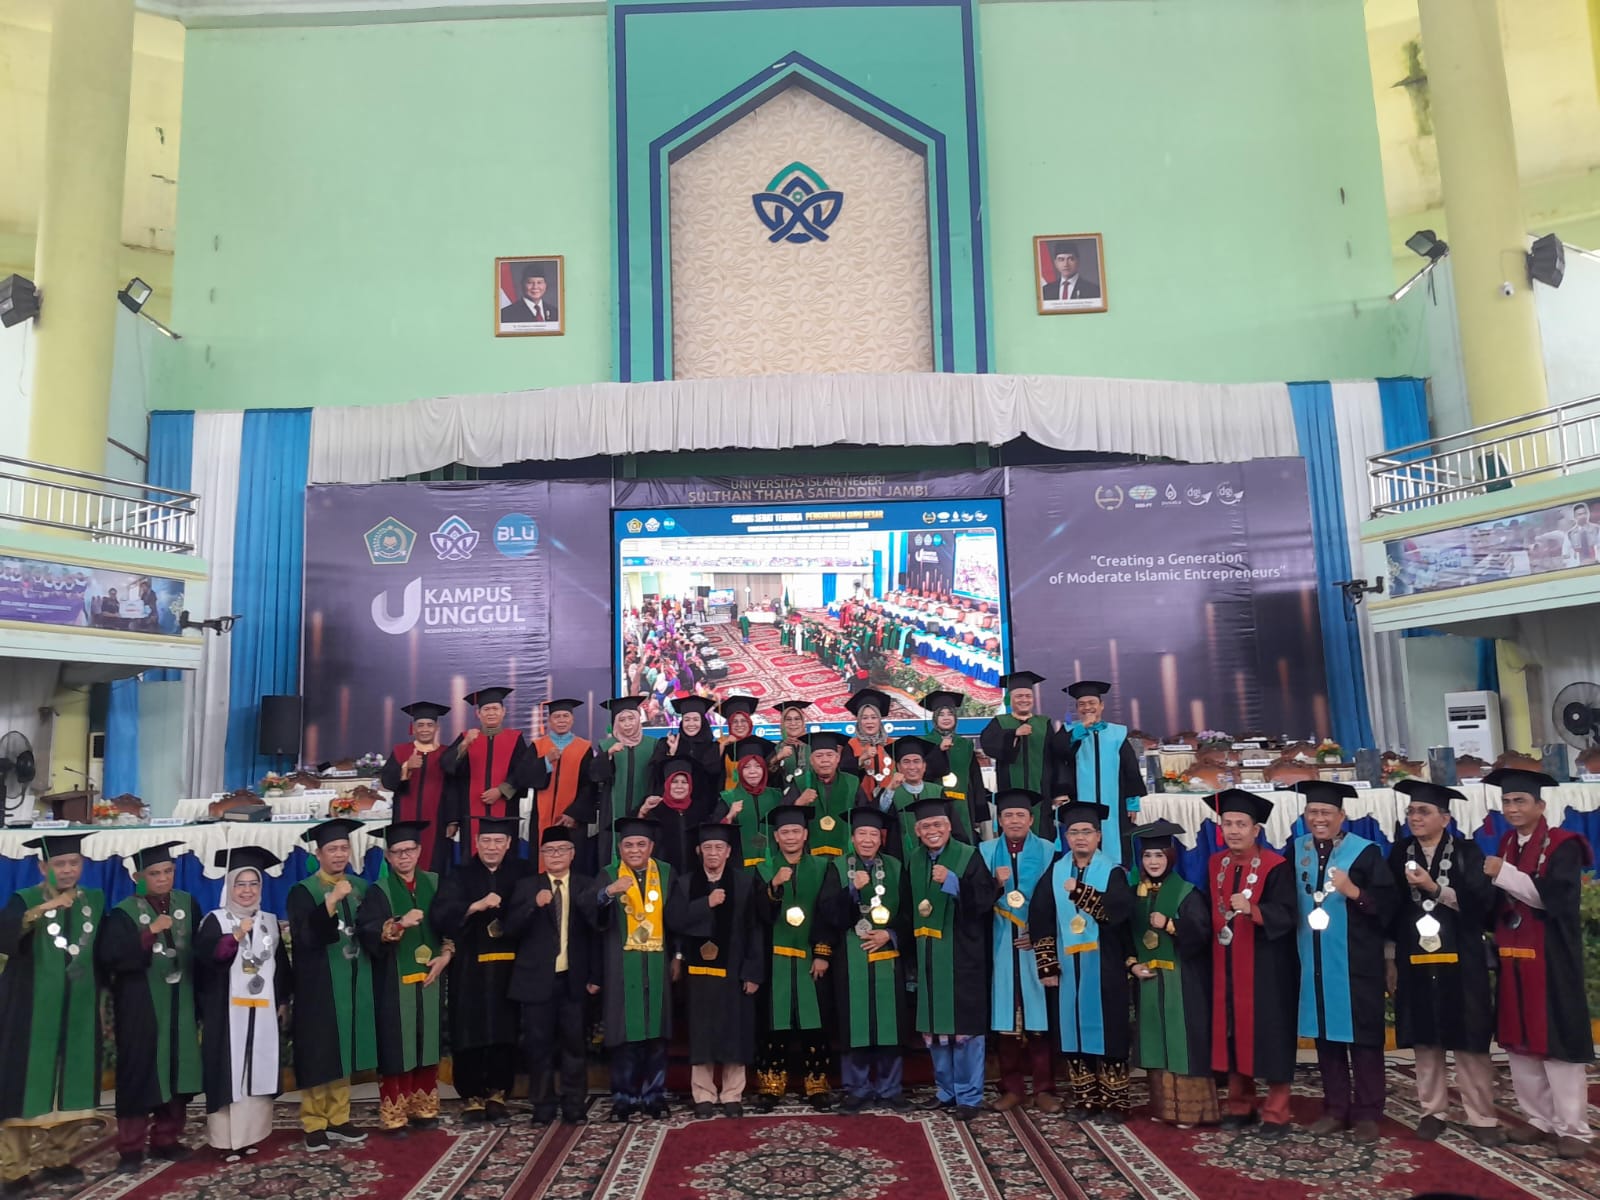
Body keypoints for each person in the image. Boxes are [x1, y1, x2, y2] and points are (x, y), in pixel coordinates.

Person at [1482, 767, 1594, 1157]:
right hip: (1513, 958)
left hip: (1551, 960)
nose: (1512, 808)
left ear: (1540, 805)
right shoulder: (1507, 843)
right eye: (1507, 801)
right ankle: (1538, 1120)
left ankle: (1574, 1129)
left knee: (1557, 1044)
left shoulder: (1564, 845)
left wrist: (1504, 874)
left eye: (1520, 801)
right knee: (1520, 1044)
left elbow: (1555, 900)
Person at [1386, 780, 1501, 1146]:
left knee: (1469, 1037)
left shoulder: (1467, 851)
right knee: (1425, 1038)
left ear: (1445, 818)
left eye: (1424, 811)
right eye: (1411, 811)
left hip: (1461, 957)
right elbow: (1390, 910)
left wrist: (1434, 889)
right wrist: (1389, 958)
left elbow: (1482, 906)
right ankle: (1432, 1111)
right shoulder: (1400, 852)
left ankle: (1481, 1116)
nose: (1415, 818)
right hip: (1415, 956)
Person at [1289, 779, 1395, 1142]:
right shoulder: (1297, 849)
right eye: (1312, 812)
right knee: (1326, 1037)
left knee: (1363, 1038)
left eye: (1326, 812)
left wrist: (1354, 892)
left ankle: (1368, 1112)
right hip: (1314, 959)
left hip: (1355, 961)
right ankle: (1335, 1108)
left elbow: (1387, 907)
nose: (1319, 818)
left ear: (1342, 816)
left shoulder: (1365, 852)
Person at [0, 834, 105, 1194]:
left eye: (74, 863)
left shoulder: (93, 901)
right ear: (43, 867)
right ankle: (14, 1170)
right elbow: (5, 938)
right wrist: (44, 909)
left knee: (73, 1083)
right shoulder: (24, 899)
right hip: (30, 1011)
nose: (68, 869)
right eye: (60, 864)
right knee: (22, 1086)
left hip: (79, 1008)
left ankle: (59, 1158)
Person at [97, 840, 202, 1172]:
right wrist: (149, 933)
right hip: (141, 1005)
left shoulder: (187, 903)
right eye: (154, 873)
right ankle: (130, 1149)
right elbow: (111, 957)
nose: (163, 878)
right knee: (139, 1073)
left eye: (168, 871)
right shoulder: (123, 913)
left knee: (178, 1070)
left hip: (181, 1002)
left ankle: (166, 1139)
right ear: (137, 877)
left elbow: (201, 949)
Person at [1028, 801, 1133, 1122]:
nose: (1080, 838)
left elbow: (1117, 913)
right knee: (1072, 1031)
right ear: (1066, 837)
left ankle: (1115, 1102)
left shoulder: (1113, 871)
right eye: (1074, 832)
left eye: (1087, 832)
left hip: (1105, 963)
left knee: (1109, 1031)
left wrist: (1081, 893)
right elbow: (1040, 915)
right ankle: (1086, 1099)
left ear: (1098, 836)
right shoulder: (1056, 871)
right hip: (1067, 965)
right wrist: (1047, 965)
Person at [1208, 788, 1298, 1138]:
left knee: (1272, 1037)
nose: (1233, 830)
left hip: (1266, 966)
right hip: (1226, 963)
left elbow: (1288, 915)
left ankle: (1277, 1112)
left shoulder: (1276, 866)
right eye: (1227, 823)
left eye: (1241, 824)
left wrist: (1254, 910)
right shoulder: (1216, 863)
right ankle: (1240, 1106)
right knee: (1232, 1033)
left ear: (1256, 829)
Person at [433, 815, 531, 1126]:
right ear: (476, 842)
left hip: (508, 967)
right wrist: (474, 906)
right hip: (469, 967)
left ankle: (498, 1094)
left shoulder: (521, 874)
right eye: (486, 841)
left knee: (504, 1029)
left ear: (509, 843)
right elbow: (440, 914)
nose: (492, 847)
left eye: (498, 841)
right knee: (469, 1029)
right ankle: (472, 1096)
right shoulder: (459, 875)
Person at [195, 848, 292, 1163]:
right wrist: (235, 936)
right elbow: (207, 960)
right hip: (226, 1012)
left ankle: (250, 1136)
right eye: (241, 884)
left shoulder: (269, 921)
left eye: (254, 884)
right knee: (230, 1072)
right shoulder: (216, 920)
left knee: (256, 1071)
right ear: (229, 886)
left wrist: (282, 1000)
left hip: (262, 1009)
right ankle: (225, 1141)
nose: (247, 891)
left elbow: (280, 964)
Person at [578, 816, 677, 1122]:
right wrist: (608, 892)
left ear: (651, 847)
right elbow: (586, 909)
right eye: (629, 845)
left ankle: (654, 1096)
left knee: (656, 1033)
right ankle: (623, 1098)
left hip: (657, 963)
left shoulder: (666, 873)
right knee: (623, 1034)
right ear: (620, 848)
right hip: (620, 964)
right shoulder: (609, 874)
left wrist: (679, 956)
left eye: (641, 844)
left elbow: (678, 917)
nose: (635, 850)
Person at [356, 821, 451, 1137]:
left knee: (427, 1042)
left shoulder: (435, 883)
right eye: (397, 852)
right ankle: (395, 1114)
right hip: (394, 981)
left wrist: (447, 954)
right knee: (397, 1046)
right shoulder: (379, 891)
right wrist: (398, 924)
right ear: (387, 856)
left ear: (419, 851)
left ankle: (424, 1108)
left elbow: (451, 923)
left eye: (409, 850)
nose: (404, 857)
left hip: (432, 976)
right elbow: (367, 930)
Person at [905, 796, 997, 1122]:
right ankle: (946, 1092)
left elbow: (986, 899)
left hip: (962, 954)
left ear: (948, 826)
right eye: (925, 826)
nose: (932, 830)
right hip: (928, 955)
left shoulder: (968, 855)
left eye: (938, 824)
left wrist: (954, 883)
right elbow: (907, 906)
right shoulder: (914, 860)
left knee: (964, 1030)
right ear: (917, 831)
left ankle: (969, 1096)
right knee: (936, 1029)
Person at [286, 818, 375, 1151]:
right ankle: (314, 1122)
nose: (339, 854)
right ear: (319, 854)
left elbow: (369, 928)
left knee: (344, 1049)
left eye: (343, 848)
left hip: (353, 979)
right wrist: (331, 901)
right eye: (332, 849)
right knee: (319, 1050)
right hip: (319, 983)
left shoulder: (360, 886)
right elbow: (305, 937)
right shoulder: (303, 891)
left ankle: (339, 1118)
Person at [814, 806, 910, 1113]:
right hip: (849, 954)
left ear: (881, 838)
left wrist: (890, 934)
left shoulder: (896, 866)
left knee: (889, 1022)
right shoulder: (837, 867)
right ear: (852, 837)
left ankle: (890, 1088)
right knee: (854, 1021)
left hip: (887, 954)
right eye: (861, 834)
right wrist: (851, 891)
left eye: (873, 834)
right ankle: (857, 1089)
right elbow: (827, 913)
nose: (867, 840)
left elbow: (909, 912)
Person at [666, 823, 763, 1118]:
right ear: (699, 851)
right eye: (707, 847)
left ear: (728, 852)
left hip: (734, 969)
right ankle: (704, 1095)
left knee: (735, 1031)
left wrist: (753, 971)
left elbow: (755, 929)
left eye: (719, 848)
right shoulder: (685, 884)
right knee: (702, 1032)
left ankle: (732, 1094)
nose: (713, 853)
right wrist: (704, 904)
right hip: (699, 974)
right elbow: (673, 921)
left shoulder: (744, 883)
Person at [505, 826, 599, 1127]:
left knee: (575, 1046)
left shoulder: (587, 885)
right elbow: (510, 928)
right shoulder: (527, 886)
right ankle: (542, 1106)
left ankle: (574, 1106)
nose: (555, 855)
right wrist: (533, 905)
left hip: (574, 979)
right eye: (549, 851)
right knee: (538, 1047)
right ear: (542, 855)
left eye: (561, 850)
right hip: (536, 981)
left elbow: (597, 932)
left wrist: (596, 975)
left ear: (572, 854)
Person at [1129, 820, 1217, 1126]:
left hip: (1183, 979)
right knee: (1156, 1041)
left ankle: (1193, 1111)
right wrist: (1132, 964)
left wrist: (1170, 925)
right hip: (1150, 980)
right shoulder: (1137, 894)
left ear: (1171, 857)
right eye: (1147, 856)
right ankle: (1164, 1108)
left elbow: (1202, 933)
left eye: (1159, 855)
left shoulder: (1187, 893)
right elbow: (1126, 936)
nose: (1153, 862)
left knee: (1183, 1041)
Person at [980, 789, 1060, 1113]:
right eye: (1008, 815)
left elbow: (1056, 897)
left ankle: (1044, 1089)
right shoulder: (986, 851)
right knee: (1006, 1020)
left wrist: (1038, 933)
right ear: (999, 820)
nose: (1014, 821)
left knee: (1040, 1020)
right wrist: (995, 885)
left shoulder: (1048, 851)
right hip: (1000, 940)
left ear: (1031, 819)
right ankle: (1011, 1088)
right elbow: (975, 898)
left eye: (1020, 815)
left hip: (1037, 943)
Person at [754, 805, 833, 1111]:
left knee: (815, 1022)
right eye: (784, 832)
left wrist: (822, 953)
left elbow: (827, 912)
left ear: (805, 834)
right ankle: (771, 1084)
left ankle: (817, 1084)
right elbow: (758, 916)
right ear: (776, 836)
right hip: (774, 958)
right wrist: (774, 885)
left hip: (810, 957)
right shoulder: (763, 869)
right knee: (774, 1023)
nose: (790, 837)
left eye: (795, 831)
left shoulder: (823, 867)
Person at [440, 687, 548, 861]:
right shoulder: (466, 737)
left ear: (503, 711)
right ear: (478, 713)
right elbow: (448, 769)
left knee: (506, 856)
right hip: (471, 812)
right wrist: (464, 745)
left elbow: (524, 771)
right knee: (472, 856)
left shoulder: (515, 738)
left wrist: (501, 790)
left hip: (506, 809)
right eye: (486, 709)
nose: (491, 713)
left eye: (495, 709)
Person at [1053, 681, 1145, 867]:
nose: (1087, 707)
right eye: (1082, 704)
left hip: (1114, 801)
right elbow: (1057, 751)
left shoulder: (1117, 733)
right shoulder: (1070, 732)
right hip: (1080, 800)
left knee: (1116, 842)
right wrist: (1082, 728)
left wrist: (1132, 801)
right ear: (1077, 708)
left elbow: (1130, 768)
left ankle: (1116, 875)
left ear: (1101, 705)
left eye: (1092, 703)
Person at [578, 695, 661, 867]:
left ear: (638, 719)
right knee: (613, 850)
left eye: (631, 718)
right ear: (616, 724)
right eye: (622, 720)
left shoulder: (653, 744)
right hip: (612, 810)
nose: (628, 724)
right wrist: (608, 755)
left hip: (645, 809)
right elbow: (595, 776)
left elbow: (659, 778)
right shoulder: (606, 745)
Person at [379, 701, 459, 873]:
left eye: (430, 725)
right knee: (404, 858)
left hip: (437, 820)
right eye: (420, 725)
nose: (425, 729)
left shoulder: (446, 754)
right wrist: (406, 767)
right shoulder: (400, 751)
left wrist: (452, 820)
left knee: (435, 864)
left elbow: (453, 789)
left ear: (437, 727)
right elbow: (387, 781)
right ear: (413, 728)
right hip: (404, 819)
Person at [646, 696, 724, 871]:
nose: (691, 724)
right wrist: (671, 753)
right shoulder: (668, 742)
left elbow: (713, 778)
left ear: (703, 721)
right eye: (687, 719)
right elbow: (656, 774)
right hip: (671, 814)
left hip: (700, 812)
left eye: (696, 719)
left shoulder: (712, 747)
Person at [980, 671, 1060, 838]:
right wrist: (1013, 734)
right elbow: (988, 745)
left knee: (1042, 834)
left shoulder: (1044, 723)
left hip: (1041, 792)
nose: (1024, 700)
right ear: (1010, 698)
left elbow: (1056, 757)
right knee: (1012, 835)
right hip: (1010, 792)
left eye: (1028, 696)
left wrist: (1059, 790)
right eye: (1019, 696)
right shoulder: (1000, 722)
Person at [921, 688, 990, 834]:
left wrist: (979, 812)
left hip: (962, 804)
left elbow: (975, 778)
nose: (946, 718)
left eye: (950, 714)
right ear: (935, 718)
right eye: (941, 714)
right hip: (935, 804)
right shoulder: (924, 742)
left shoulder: (965, 744)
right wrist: (938, 751)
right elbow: (922, 773)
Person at [531, 699, 595, 855]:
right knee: (541, 854)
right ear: (549, 720)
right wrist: (545, 761)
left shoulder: (584, 747)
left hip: (571, 819)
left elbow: (589, 785)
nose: (561, 720)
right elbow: (524, 776)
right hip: (541, 814)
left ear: (572, 719)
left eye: (565, 716)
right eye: (556, 716)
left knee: (571, 856)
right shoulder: (537, 746)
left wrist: (574, 813)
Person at [784, 730, 857, 858]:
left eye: (830, 755)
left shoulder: (852, 782)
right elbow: (783, 818)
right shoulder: (800, 783)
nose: (825, 760)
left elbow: (861, 817)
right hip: (809, 856)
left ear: (838, 758)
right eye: (819, 756)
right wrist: (798, 803)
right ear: (811, 760)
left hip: (845, 857)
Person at [718, 736, 782, 868]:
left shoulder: (776, 796)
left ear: (764, 769)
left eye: (758, 766)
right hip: (740, 865)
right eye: (746, 767)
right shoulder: (728, 798)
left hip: (773, 862)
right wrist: (729, 816)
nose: (753, 771)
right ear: (739, 770)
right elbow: (717, 834)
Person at [842, 689, 895, 805]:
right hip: (860, 801)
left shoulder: (892, 744)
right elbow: (844, 775)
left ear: (880, 720)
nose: (869, 722)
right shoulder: (851, 744)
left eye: (874, 717)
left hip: (890, 801)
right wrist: (861, 759)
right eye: (864, 718)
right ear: (859, 721)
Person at [768, 699, 813, 789]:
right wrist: (777, 758)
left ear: (803, 722)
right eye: (788, 719)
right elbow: (768, 779)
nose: (793, 723)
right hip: (784, 796)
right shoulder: (775, 749)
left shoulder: (813, 745)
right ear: (782, 723)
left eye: (797, 719)